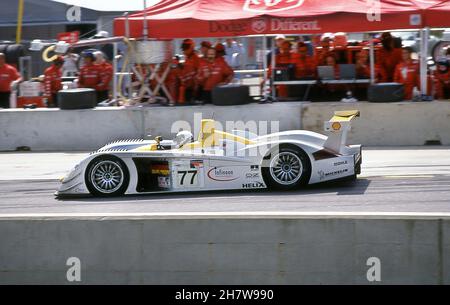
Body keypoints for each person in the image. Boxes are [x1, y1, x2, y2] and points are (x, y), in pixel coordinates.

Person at [179, 39, 201, 104]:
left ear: (191, 47)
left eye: (185, 48)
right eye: (183, 48)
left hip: (193, 89)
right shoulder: (187, 58)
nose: (183, 50)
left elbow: (198, 74)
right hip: (187, 86)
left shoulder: (196, 58)